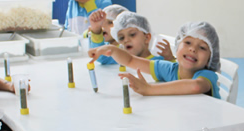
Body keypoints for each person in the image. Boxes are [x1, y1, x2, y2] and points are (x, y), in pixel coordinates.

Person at [89, 21, 221, 99]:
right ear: (177, 45)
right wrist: (112, 50)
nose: (193, 49)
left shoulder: (206, 76)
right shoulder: (169, 69)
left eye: (202, 47)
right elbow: (130, 61)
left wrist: (148, 89)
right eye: (187, 43)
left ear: (210, 58)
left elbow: (195, 86)